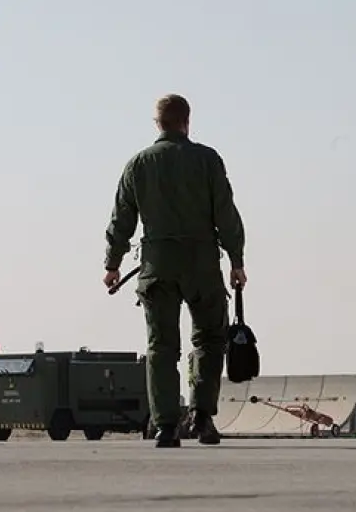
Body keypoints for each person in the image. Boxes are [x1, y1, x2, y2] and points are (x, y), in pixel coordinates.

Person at [102, 93, 247, 448]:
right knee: (209, 341)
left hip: (158, 267)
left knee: (161, 347)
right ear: (187, 121)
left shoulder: (138, 164)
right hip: (202, 266)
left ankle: (166, 427)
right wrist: (237, 260)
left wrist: (113, 264)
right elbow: (226, 213)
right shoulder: (207, 160)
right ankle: (202, 417)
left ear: (158, 124)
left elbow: (122, 218)